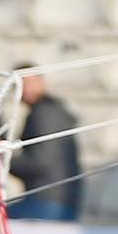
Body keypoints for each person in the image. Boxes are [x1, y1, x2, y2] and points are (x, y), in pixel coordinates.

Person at [8, 71, 82, 222]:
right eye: (20, 85)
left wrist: (2, 160)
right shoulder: (54, 111)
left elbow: (40, 162)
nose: (26, 89)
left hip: (46, 201)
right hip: (60, 200)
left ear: (42, 82)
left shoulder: (44, 113)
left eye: (29, 83)